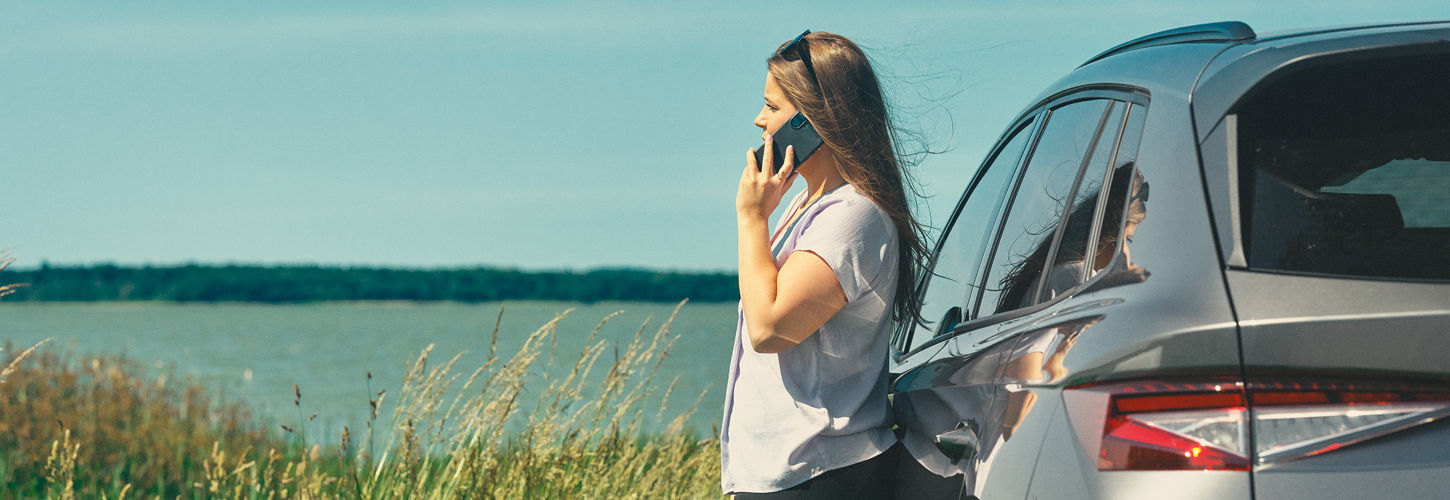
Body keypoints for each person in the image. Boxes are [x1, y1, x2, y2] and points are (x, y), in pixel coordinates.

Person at [721, 30, 928, 499]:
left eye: (772, 108)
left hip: (819, 471)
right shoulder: (806, 206)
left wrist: (751, 218)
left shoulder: (852, 215)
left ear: (816, 119)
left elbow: (771, 327)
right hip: (794, 472)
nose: (759, 120)